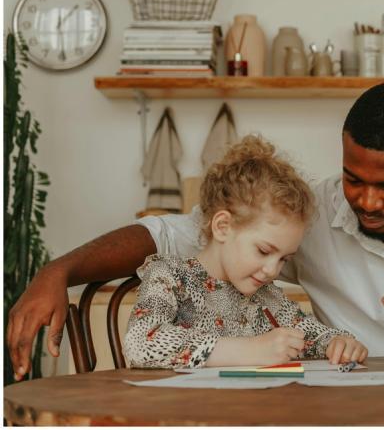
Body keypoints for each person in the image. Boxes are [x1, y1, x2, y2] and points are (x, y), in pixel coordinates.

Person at [8, 82, 384, 380]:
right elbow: (171, 237)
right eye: (353, 177)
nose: (365, 199)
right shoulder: (307, 214)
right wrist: (56, 272)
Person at [124, 135, 367, 369]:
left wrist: (338, 343)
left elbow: (310, 334)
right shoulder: (169, 277)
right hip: (183, 411)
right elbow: (140, 342)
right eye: (263, 251)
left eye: (284, 259)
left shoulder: (266, 296)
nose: (273, 270)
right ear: (222, 227)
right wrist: (249, 350)